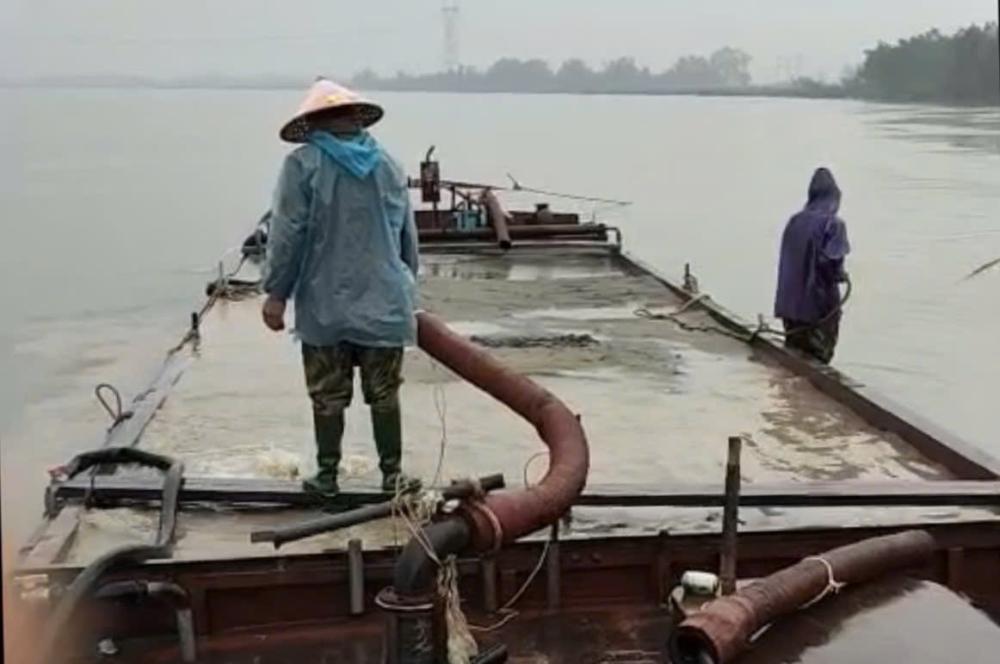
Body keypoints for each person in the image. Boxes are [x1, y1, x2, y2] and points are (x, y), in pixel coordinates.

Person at [261, 79, 420, 500]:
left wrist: (276, 293)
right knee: (384, 394)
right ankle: (393, 477)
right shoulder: (388, 163)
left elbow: (287, 234)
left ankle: (327, 476)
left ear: (314, 122)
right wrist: (408, 288)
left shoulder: (303, 164)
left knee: (328, 396)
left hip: (324, 305)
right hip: (384, 301)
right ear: (354, 119)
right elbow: (407, 237)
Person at [774, 167, 850, 364]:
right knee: (819, 358)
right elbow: (832, 262)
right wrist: (841, 274)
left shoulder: (794, 221)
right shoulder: (833, 224)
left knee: (795, 354)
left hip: (789, 306)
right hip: (817, 309)